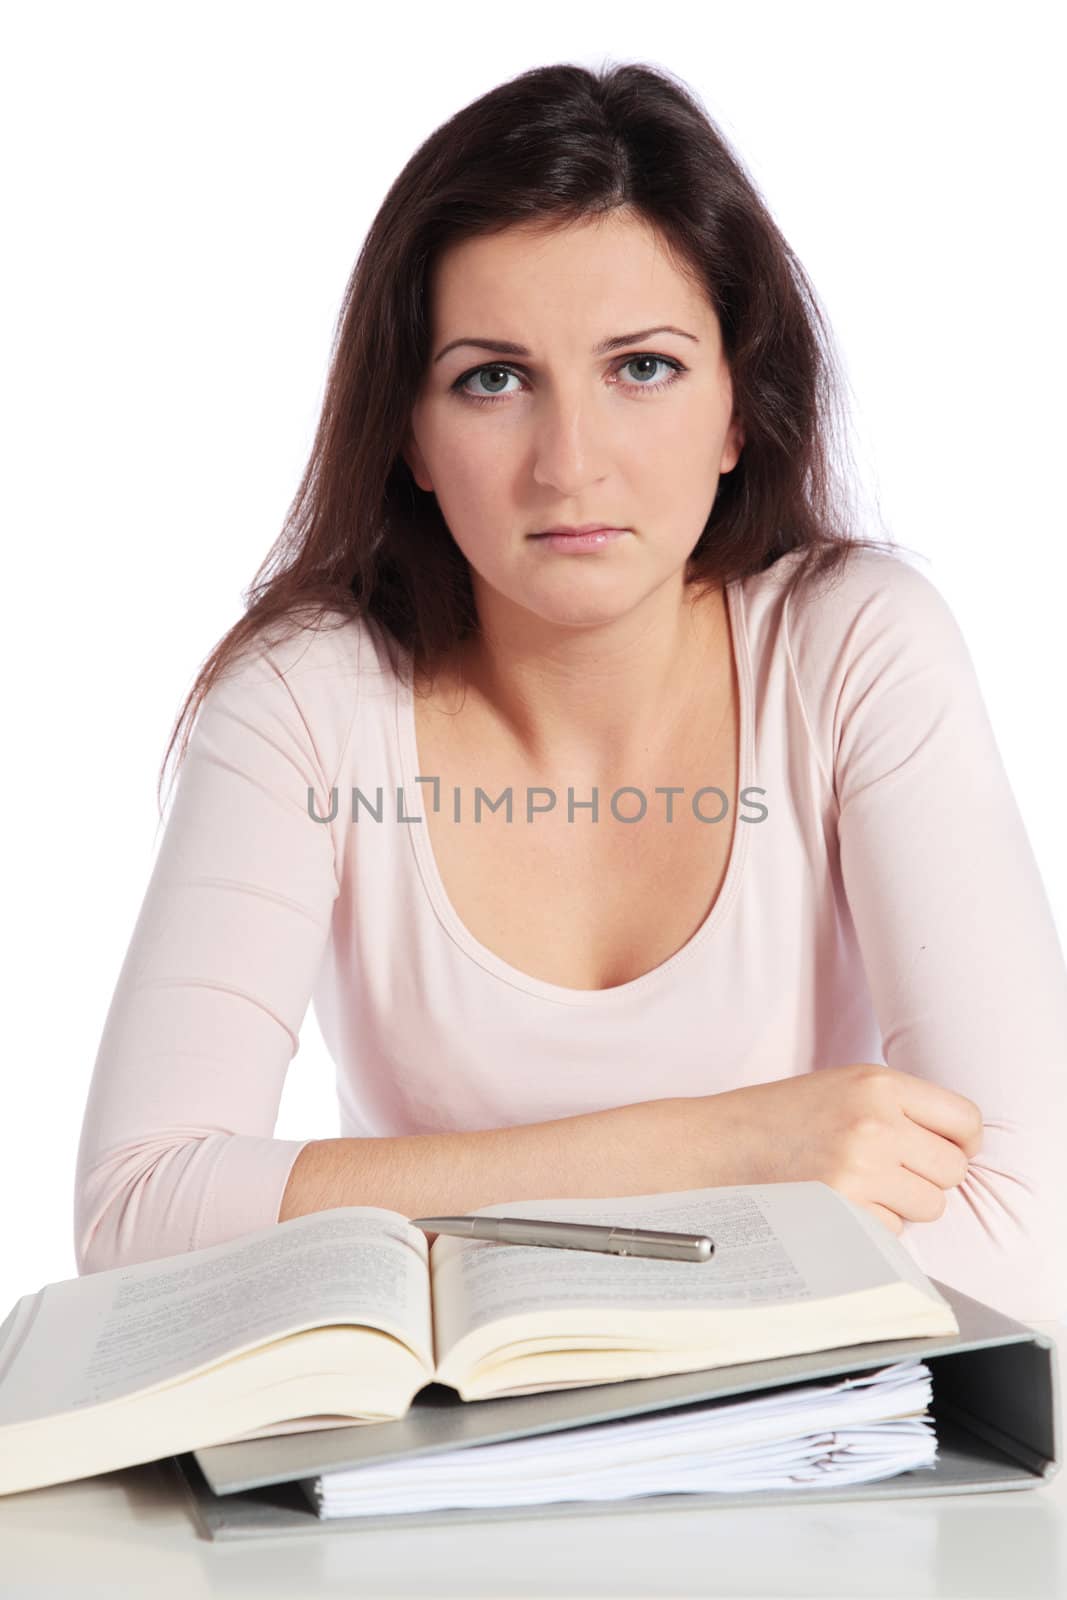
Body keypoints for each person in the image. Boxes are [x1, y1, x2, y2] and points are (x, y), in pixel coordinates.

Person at [73, 60, 1067, 1323]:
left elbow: (1026, 1238)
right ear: (410, 438)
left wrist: (456, 1233)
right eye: (493, 378)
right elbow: (135, 1213)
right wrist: (720, 1150)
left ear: (735, 411)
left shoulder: (853, 645)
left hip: (812, 1476)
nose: (569, 463)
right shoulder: (305, 700)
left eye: (640, 368)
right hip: (428, 1480)